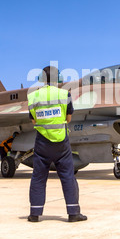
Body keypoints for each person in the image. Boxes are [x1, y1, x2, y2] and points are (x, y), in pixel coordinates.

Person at [27, 65, 87, 223]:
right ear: (58, 79)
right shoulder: (64, 94)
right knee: (68, 177)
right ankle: (73, 213)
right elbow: (68, 119)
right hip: (61, 142)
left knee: (38, 178)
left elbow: (33, 120)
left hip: (41, 142)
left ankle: (34, 214)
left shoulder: (33, 97)